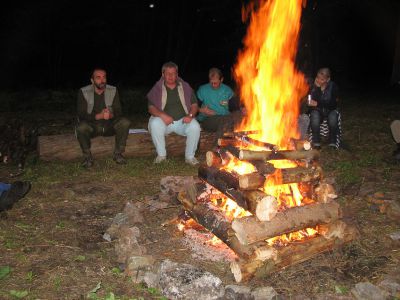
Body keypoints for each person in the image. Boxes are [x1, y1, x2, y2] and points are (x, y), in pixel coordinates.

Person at [147, 62, 200, 165]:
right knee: (155, 123)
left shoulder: (185, 87)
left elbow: (194, 105)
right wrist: (163, 115)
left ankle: (190, 157)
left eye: (173, 73)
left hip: (182, 121)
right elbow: (151, 108)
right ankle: (161, 156)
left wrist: (190, 116)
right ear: (163, 74)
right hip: (164, 122)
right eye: (168, 73)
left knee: (195, 127)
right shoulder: (157, 88)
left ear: (177, 74)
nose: (171, 76)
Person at [76, 68, 131, 168]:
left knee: (125, 122)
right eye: (98, 77)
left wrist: (111, 115)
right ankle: (87, 157)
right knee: (81, 127)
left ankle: (118, 154)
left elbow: (119, 111)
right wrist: (98, 116)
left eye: (104, 77)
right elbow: (81, 114)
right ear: (92, 80)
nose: (102, 80)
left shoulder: (113, 90)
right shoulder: (83, 92)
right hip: (92, 126)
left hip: (109, 125)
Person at [196, 68, 235, 135]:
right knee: (223, 122)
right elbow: (193, 106)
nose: (213, 85)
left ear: (221, 80)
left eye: (215, 83)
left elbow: (234, 106)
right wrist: (201, 110)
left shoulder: (227, 90)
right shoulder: (203, 90)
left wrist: (242, 108)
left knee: (231, 120)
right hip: (208, 119)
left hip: (225, 117)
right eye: (211, 82)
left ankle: (223, 141)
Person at [308, 68, 340, 149]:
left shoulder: (333, 87)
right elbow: (310, 101)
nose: (318, 80)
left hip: (330, 110)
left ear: (328, 79)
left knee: (333, 117)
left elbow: (333, 104)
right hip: (318, 111)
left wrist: (318, 103)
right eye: (318, 78)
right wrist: (317, 89)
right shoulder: (313, 87)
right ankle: (316, 141)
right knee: (314, 115)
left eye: (322, 79)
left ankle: (332, 141)